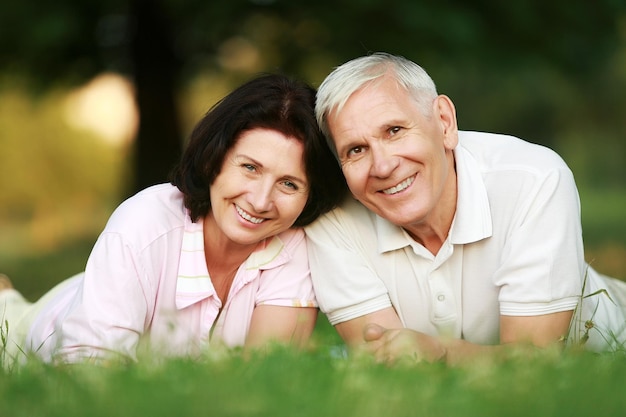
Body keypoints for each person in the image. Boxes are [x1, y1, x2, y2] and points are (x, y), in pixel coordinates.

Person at [0, 73, 347, 365]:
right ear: (216, 158)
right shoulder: (144, 220)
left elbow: (267, 376)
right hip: (50, 320)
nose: (260, 201)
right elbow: (87, 369)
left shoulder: (296, 246)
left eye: (289, 184)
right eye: (250, 168)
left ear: (310, 195)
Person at [305, 52, 626, 364]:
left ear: (444, 122)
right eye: (356, 149)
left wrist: (437, 353)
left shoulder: (534, 179)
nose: (383, 166)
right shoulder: (334, 221)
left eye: (394, 131)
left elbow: (533, 363)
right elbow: (390, 362)